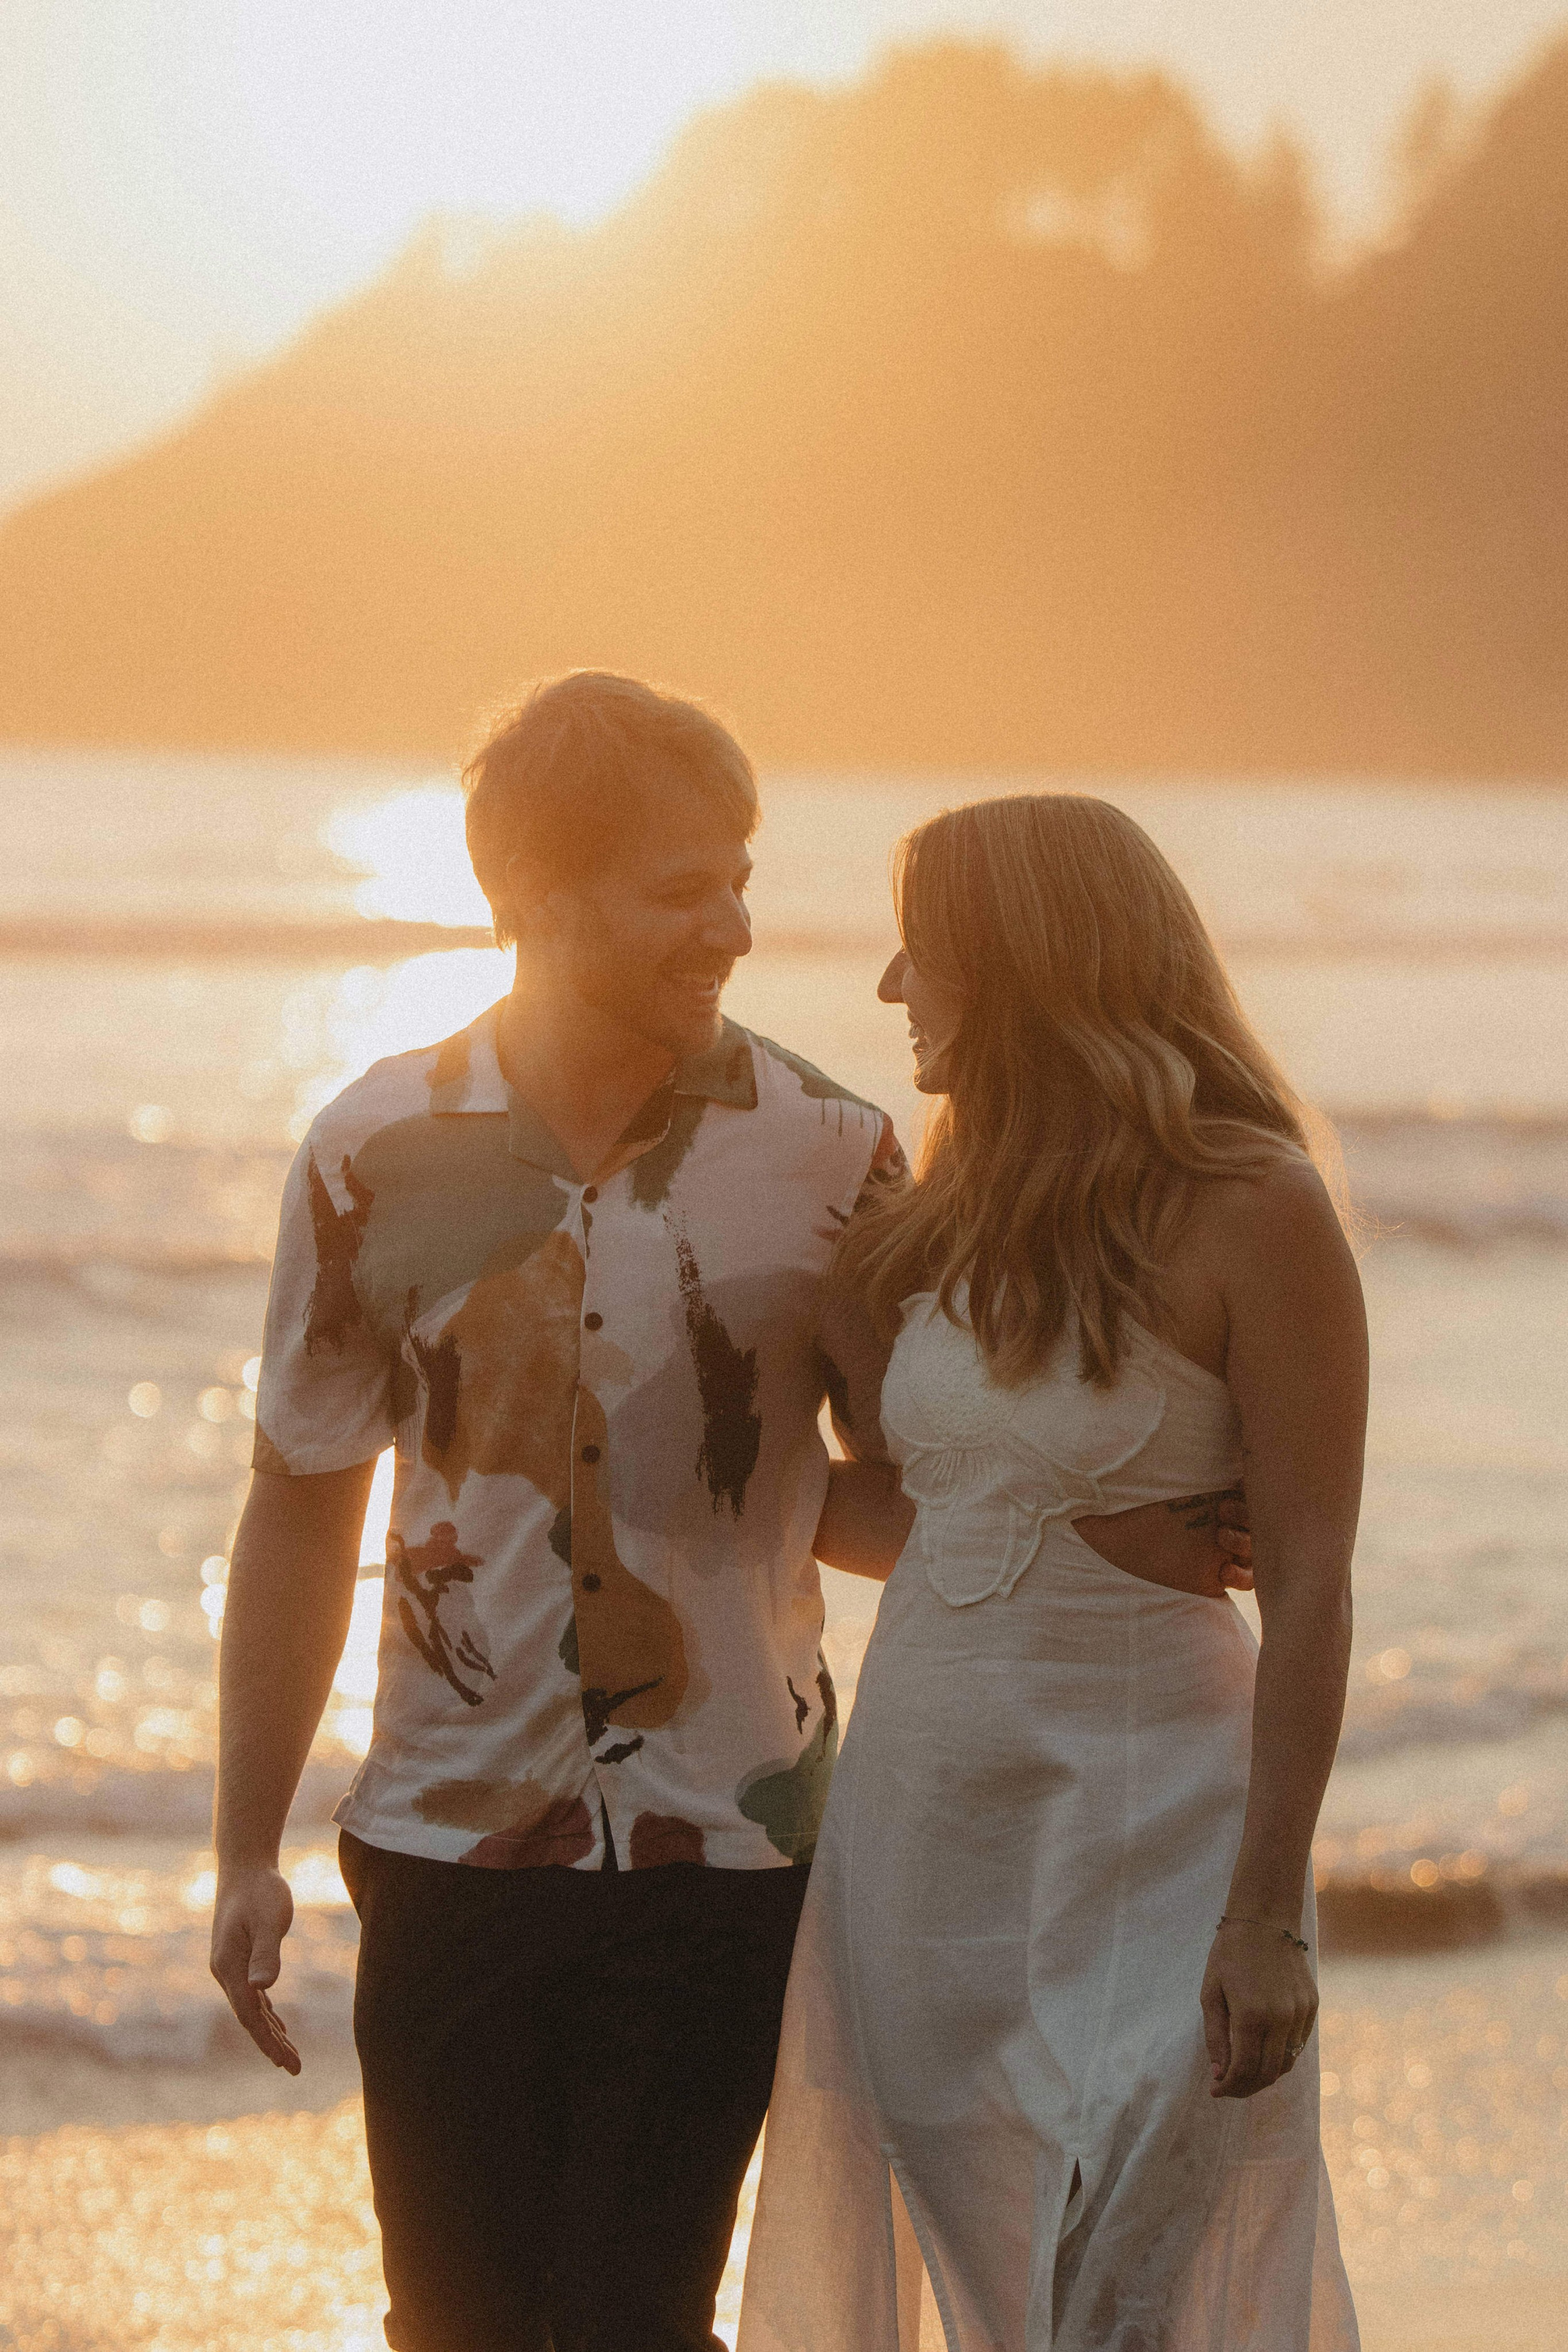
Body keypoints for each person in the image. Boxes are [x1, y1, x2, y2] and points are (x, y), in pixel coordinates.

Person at [210, 684, 1255, 2352]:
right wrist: (243, 1845)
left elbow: (912, 1486)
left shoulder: (834, 1151)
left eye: (740, 879)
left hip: (735, 1846)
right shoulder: (369, 1150)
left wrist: (1127, 1529)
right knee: (450, 2325)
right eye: (682, 890)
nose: (736, 929)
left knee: (635, 2316)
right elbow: (298, 1501)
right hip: (444, 1844)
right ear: (537, 895)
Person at [740, 794, 1366, 2352]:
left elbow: (1308, 1575)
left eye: (923, 951)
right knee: (985, 2294)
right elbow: (919, 1520)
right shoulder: (932, 1220)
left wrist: (1266, 1917)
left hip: (1159, 1825)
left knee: (1125, 2290)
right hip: (927, 1831)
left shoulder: (1254, 1206)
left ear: (1025, 962)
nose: (889, 987)